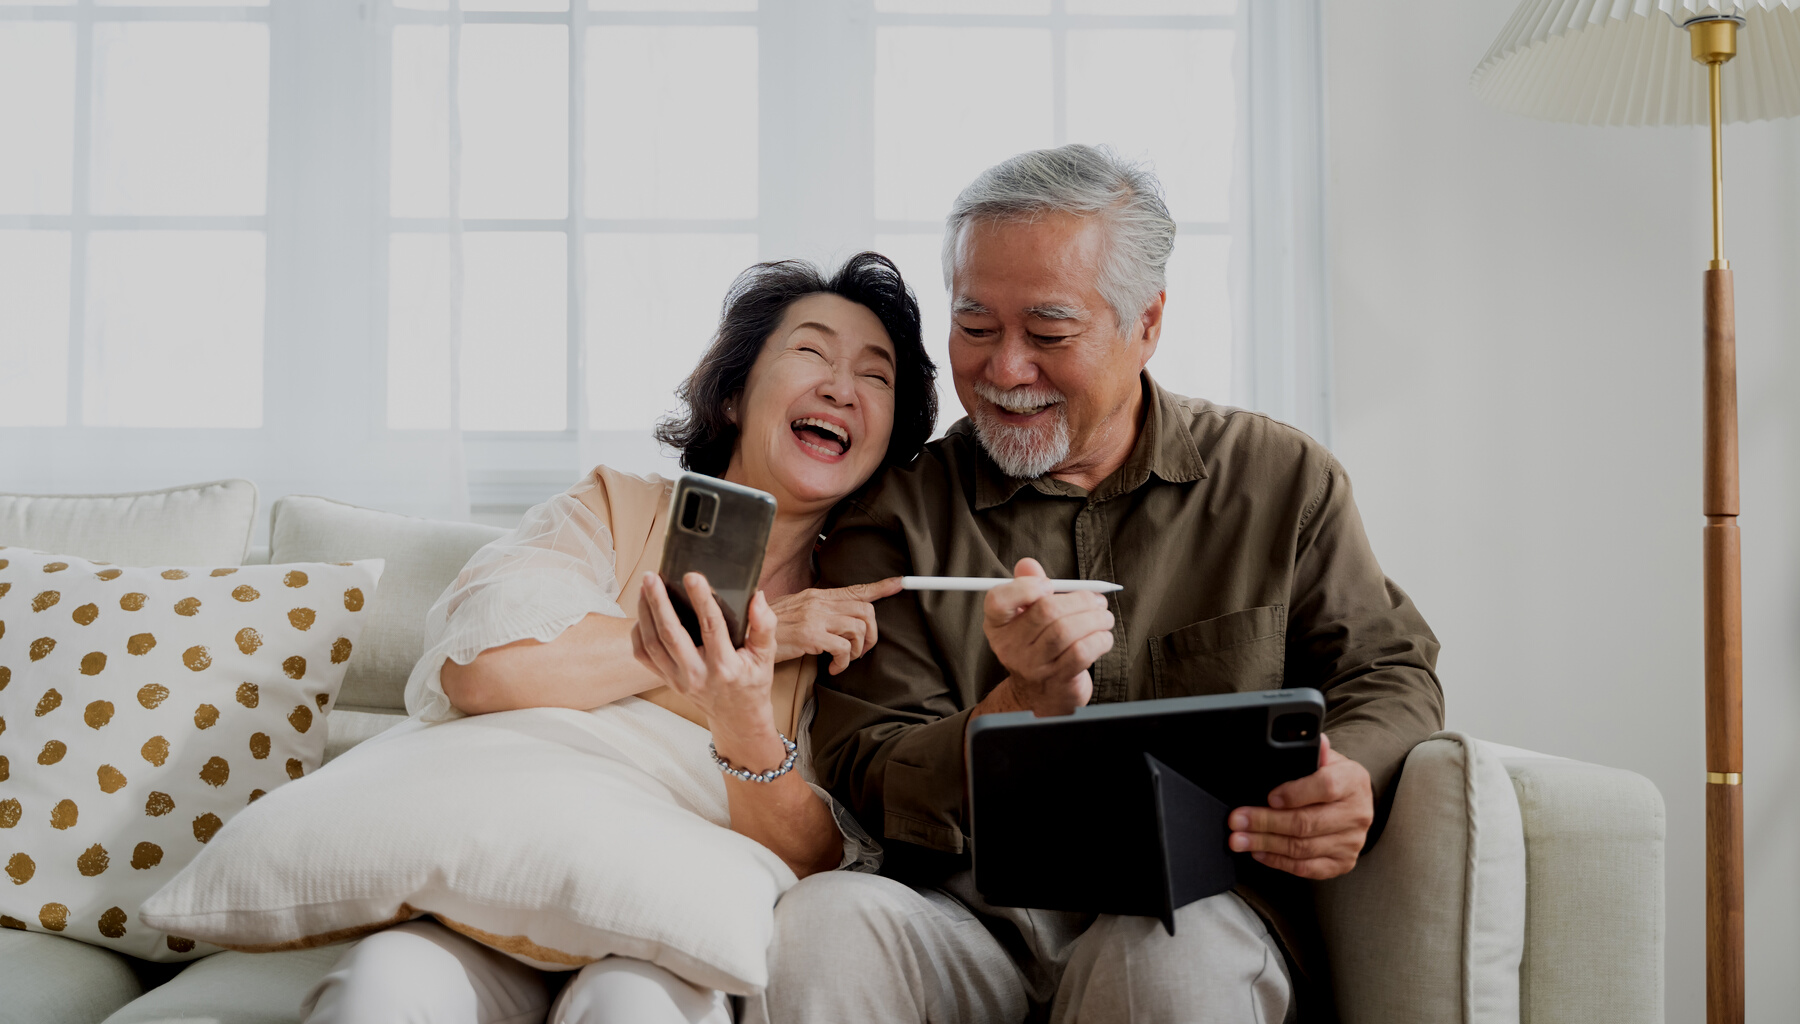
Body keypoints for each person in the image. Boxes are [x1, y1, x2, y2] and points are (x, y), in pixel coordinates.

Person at [756, 146, 1445, 1024]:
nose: (1005, 370)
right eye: (974, 327)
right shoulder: (892, 513)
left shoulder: (1281, 481)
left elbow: (1390, 671)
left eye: (1048, 334)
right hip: (965, 919)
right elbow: (863, 771)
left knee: (1168, 954)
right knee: (826, 920)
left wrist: (1348, 771)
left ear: (1146, 323)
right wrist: (1018, 704)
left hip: (1201, 910)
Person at [299, 252, 937, 1024]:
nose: (842, 387)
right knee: (386, 988)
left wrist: (741, 716)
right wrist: (724, 642)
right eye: (811, 351)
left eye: (876, 376)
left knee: (632, 1005)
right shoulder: (610, 508)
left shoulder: (860, 618)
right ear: (734, 395)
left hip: (664, 934)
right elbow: (481, 668)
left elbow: (814, 859)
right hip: (493, 892)